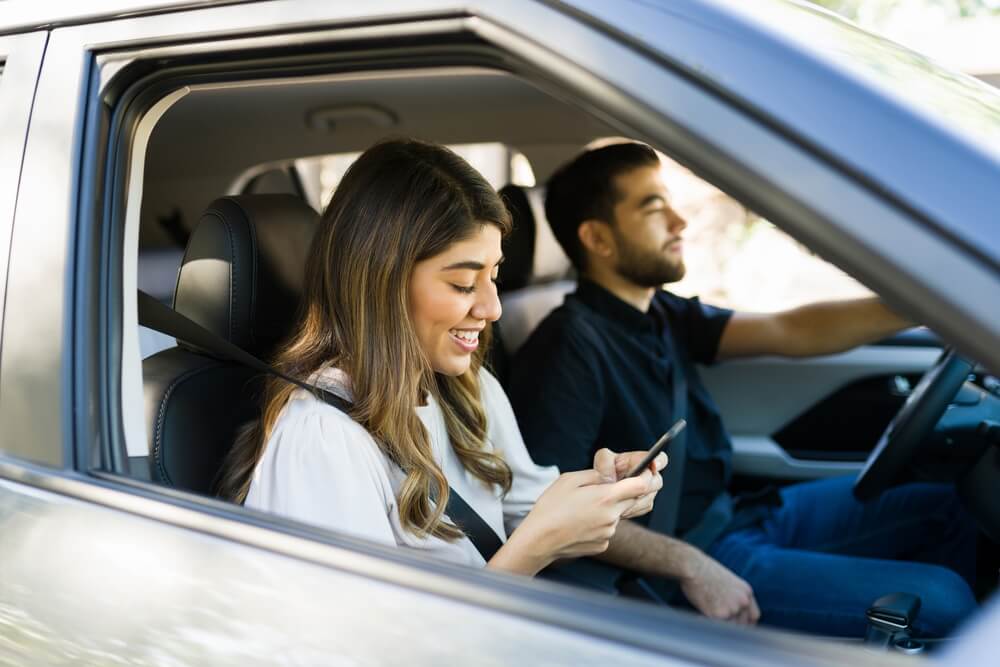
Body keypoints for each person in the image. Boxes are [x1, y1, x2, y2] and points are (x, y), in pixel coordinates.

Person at [508, 141, 978, 636]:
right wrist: (690, 565)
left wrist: (929, 303)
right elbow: (552, 514)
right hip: (693, 557)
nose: (679, 222)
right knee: (945, 602)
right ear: (598, 239)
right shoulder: (566, 348)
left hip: (738, 516)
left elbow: (791, 331)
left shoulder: (661, 311)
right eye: (653, 207)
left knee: (949, 505)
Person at [216, 138, 665, 577]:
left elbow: (531, 515)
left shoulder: (468, 389)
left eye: (494, 276)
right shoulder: (324, 438)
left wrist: (604, 494)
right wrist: (535, 548)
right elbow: (360, 628)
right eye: (463, 284)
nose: (492, 308)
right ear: (383, 285)